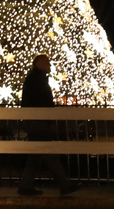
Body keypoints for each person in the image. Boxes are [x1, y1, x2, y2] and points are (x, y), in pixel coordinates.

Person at [17, 54, 79, 196]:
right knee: (49, 153)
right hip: (38, 121)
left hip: (35, 120)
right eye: (47, 62)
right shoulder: (37, 79)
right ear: (38, 64)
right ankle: (65, 185)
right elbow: (42, 100)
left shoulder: (36, 78)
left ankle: (25, 186)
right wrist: (48, 116)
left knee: (36, 155)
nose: (49, 65)